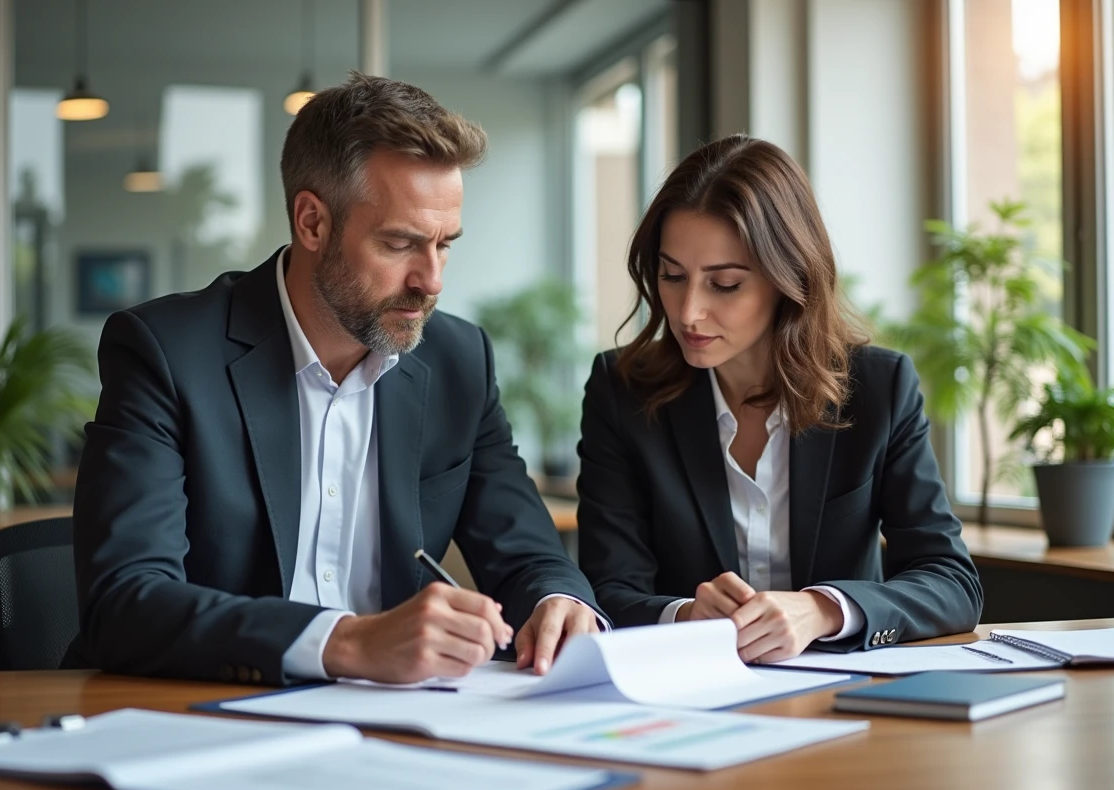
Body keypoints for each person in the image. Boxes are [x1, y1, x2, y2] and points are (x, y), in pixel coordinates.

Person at [66, 72, 605, 686]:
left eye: (445, 245)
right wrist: (345, 642)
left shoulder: (460, 360)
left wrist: (559, 602)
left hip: (395, 726)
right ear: (313, 223)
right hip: (197, 714)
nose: (431, 281)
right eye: (400, 244)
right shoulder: (166, 352)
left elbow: (530, 553)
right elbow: (124, 602)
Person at [577, 134, 982, 662]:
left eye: (724, 284)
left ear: (788, 277)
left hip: (844, 704)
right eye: (672, 276)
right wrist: (682, 615)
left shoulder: (879, 389)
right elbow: (605, 590)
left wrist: (823, 609)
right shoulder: (622, 389)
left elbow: (952, 582)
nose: (687, 311)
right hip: (688, 698)